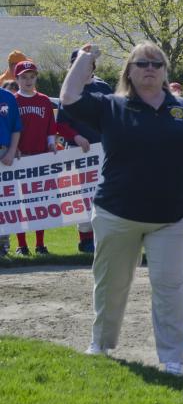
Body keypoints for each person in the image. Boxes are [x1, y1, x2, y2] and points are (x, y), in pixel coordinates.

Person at [60, 42, 183, 376]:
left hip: (174, 216)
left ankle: (173, 359)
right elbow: (69, 98)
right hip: (116, 214)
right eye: (141, 63)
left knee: (170, 286)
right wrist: (84, 60)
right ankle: (101, 343)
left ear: (166, 71)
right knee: (111, 283)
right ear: (129, 70)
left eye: (156, 64)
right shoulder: (110, 106)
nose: (149, 68)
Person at [56, 49, 114, 253]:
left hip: (102, 151)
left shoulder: (103, 87)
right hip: (78, 152)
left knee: (104, 194)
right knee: (81, 198)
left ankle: (103, 237)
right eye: (76, 64)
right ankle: (85, 239)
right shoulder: (70, 89)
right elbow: (61, 125)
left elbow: (113, 117)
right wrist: (76, 136)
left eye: (86, 64)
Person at [14, 61, 57, 256]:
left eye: (31, 76)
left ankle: (40, 244)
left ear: (36, 78)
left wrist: (51, 143)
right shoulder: (13, 100)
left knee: (40, 203)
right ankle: (21, 245)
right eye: (24, 77)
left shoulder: (44, 100)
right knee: (19, 203)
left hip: (40, 157)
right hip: (19, 158)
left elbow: (50, 126)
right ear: (17, 79)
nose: (28, 80)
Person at [0, 85, 21, 257]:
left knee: (5, 201)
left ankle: (2, 245)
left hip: (3, 151)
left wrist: (12, 151)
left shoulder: (8, 97)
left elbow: (16, 127)